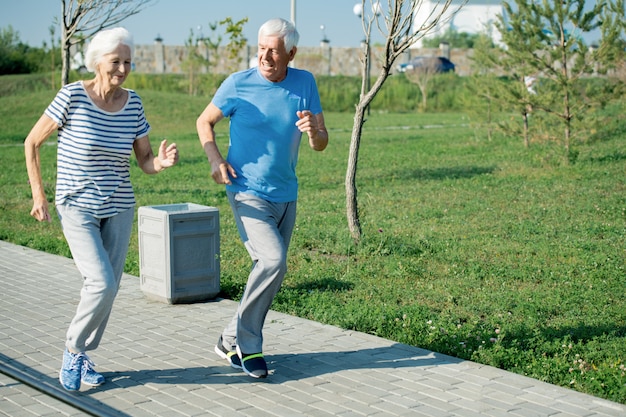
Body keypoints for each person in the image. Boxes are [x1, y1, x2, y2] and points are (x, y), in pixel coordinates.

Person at [24, 27, 179, 391]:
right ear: (97, 62)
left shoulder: (134, 103)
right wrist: (38, 196)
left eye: (128, 62)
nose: (123, 69)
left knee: (107, 289)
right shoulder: (72, 96)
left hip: (119, 205)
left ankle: (83, 355)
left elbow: (143, 160)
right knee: (101, 282)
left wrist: (160, 163)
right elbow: (32, 142)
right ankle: (73, 349)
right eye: (116, 61)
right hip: (76, 205)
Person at [196, 17, 329, 379]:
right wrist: (215, 159)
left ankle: (227, 338)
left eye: (274, 50)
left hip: (286, 192)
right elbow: (204, 121)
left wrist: (315, 130)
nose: (266, 57)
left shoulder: (305, 83)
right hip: (246, 191)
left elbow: (320, 143)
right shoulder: (237, 84)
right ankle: (249, 346)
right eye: (261, 49)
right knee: (273, 261)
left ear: (291, 52)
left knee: (269, 271)